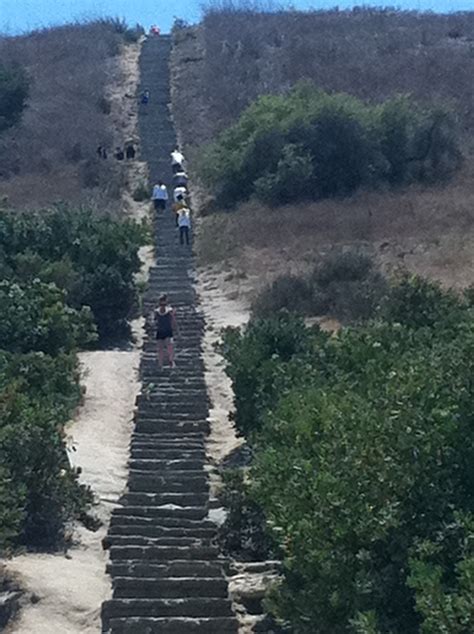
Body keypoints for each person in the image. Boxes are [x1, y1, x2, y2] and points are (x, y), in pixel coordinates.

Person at [153, 294, 177, 369]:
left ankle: (171, 361)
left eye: (164, 304)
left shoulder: (169, 311)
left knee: (169, 345)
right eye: (161, 304)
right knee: (160, 348)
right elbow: (154, 321)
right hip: (160, 331)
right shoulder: (156, 311)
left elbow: (173, 320)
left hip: (168, 330)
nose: (162, 305)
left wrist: (174, 327)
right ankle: (160, 364)